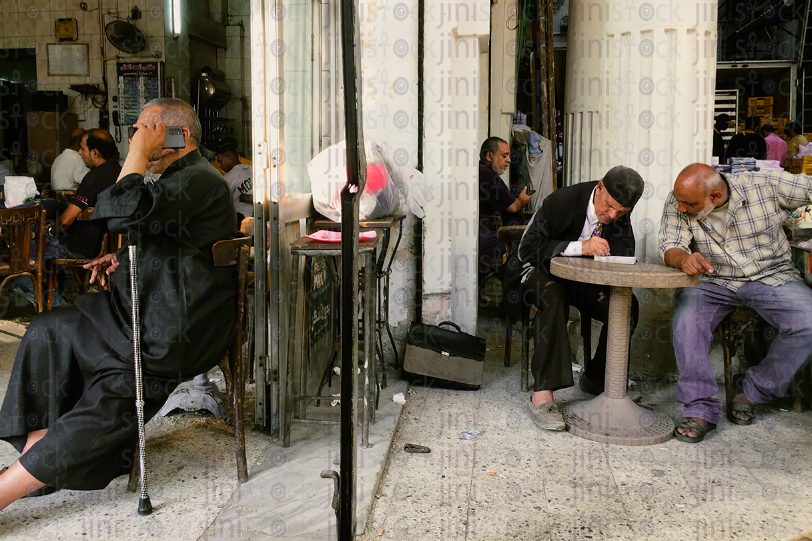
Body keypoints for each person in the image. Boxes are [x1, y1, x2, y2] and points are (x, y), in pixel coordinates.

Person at [0, 98, 239, 508]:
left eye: (144, 130)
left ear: (173, 134)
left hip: (171, 329)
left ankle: (10, 486)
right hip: (138, 311)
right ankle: (37, 455)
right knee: (47, 329)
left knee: (113, 393)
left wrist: (137, 155)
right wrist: (124, 257)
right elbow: (161, 232)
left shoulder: (199, 178)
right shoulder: (178, 179)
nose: (135, 138)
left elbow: (121, 212)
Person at [658, 163, 812, 443]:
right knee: (687, 320)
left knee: (808, 322)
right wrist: (683, 259)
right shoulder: (678, 199)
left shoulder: (765, 184)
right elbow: (670, 243)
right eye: (680, 201)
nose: (681, 207)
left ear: (715, 196)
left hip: (772, 275)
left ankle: (753, 392)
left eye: (690, 203)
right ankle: (699, 408)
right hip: (712, 279)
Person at [515, 166, 644, 430]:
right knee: (554, 296)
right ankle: (542, 395)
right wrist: (580, 248)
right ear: (599, 187)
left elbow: (624, 251)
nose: (611, 216)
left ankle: (597, 379)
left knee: (626, 307)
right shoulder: (562, 200)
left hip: (583, 281)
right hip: (540, 271)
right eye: (609, 207)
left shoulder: (617, 213)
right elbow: (527, 249)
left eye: (621, 212)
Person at [13, 129, 122, 308]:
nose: (80, 153)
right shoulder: (118, 171)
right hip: (101, 243)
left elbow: (65, 221)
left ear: (95, 153)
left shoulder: (95, 177)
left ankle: (57, 306)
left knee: (16, 257)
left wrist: (47, 230)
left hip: (78, 246)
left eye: (83, 149)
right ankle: (52, 295)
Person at [479, 137, 530, 260]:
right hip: (492, 237)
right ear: (489, 156)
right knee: (533, 246)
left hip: (496, 233)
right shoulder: (488, 176)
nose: (508, 160)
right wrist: (521, 200)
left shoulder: (484, 173)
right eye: (504, 156)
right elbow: (513, 208)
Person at [215, 137, 253, 224]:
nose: (220, 165)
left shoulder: (229, 177)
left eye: (221, 161)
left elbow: (217, 201)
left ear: (230, 159)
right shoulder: (251, 169)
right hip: (258, 216)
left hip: (241, 220)